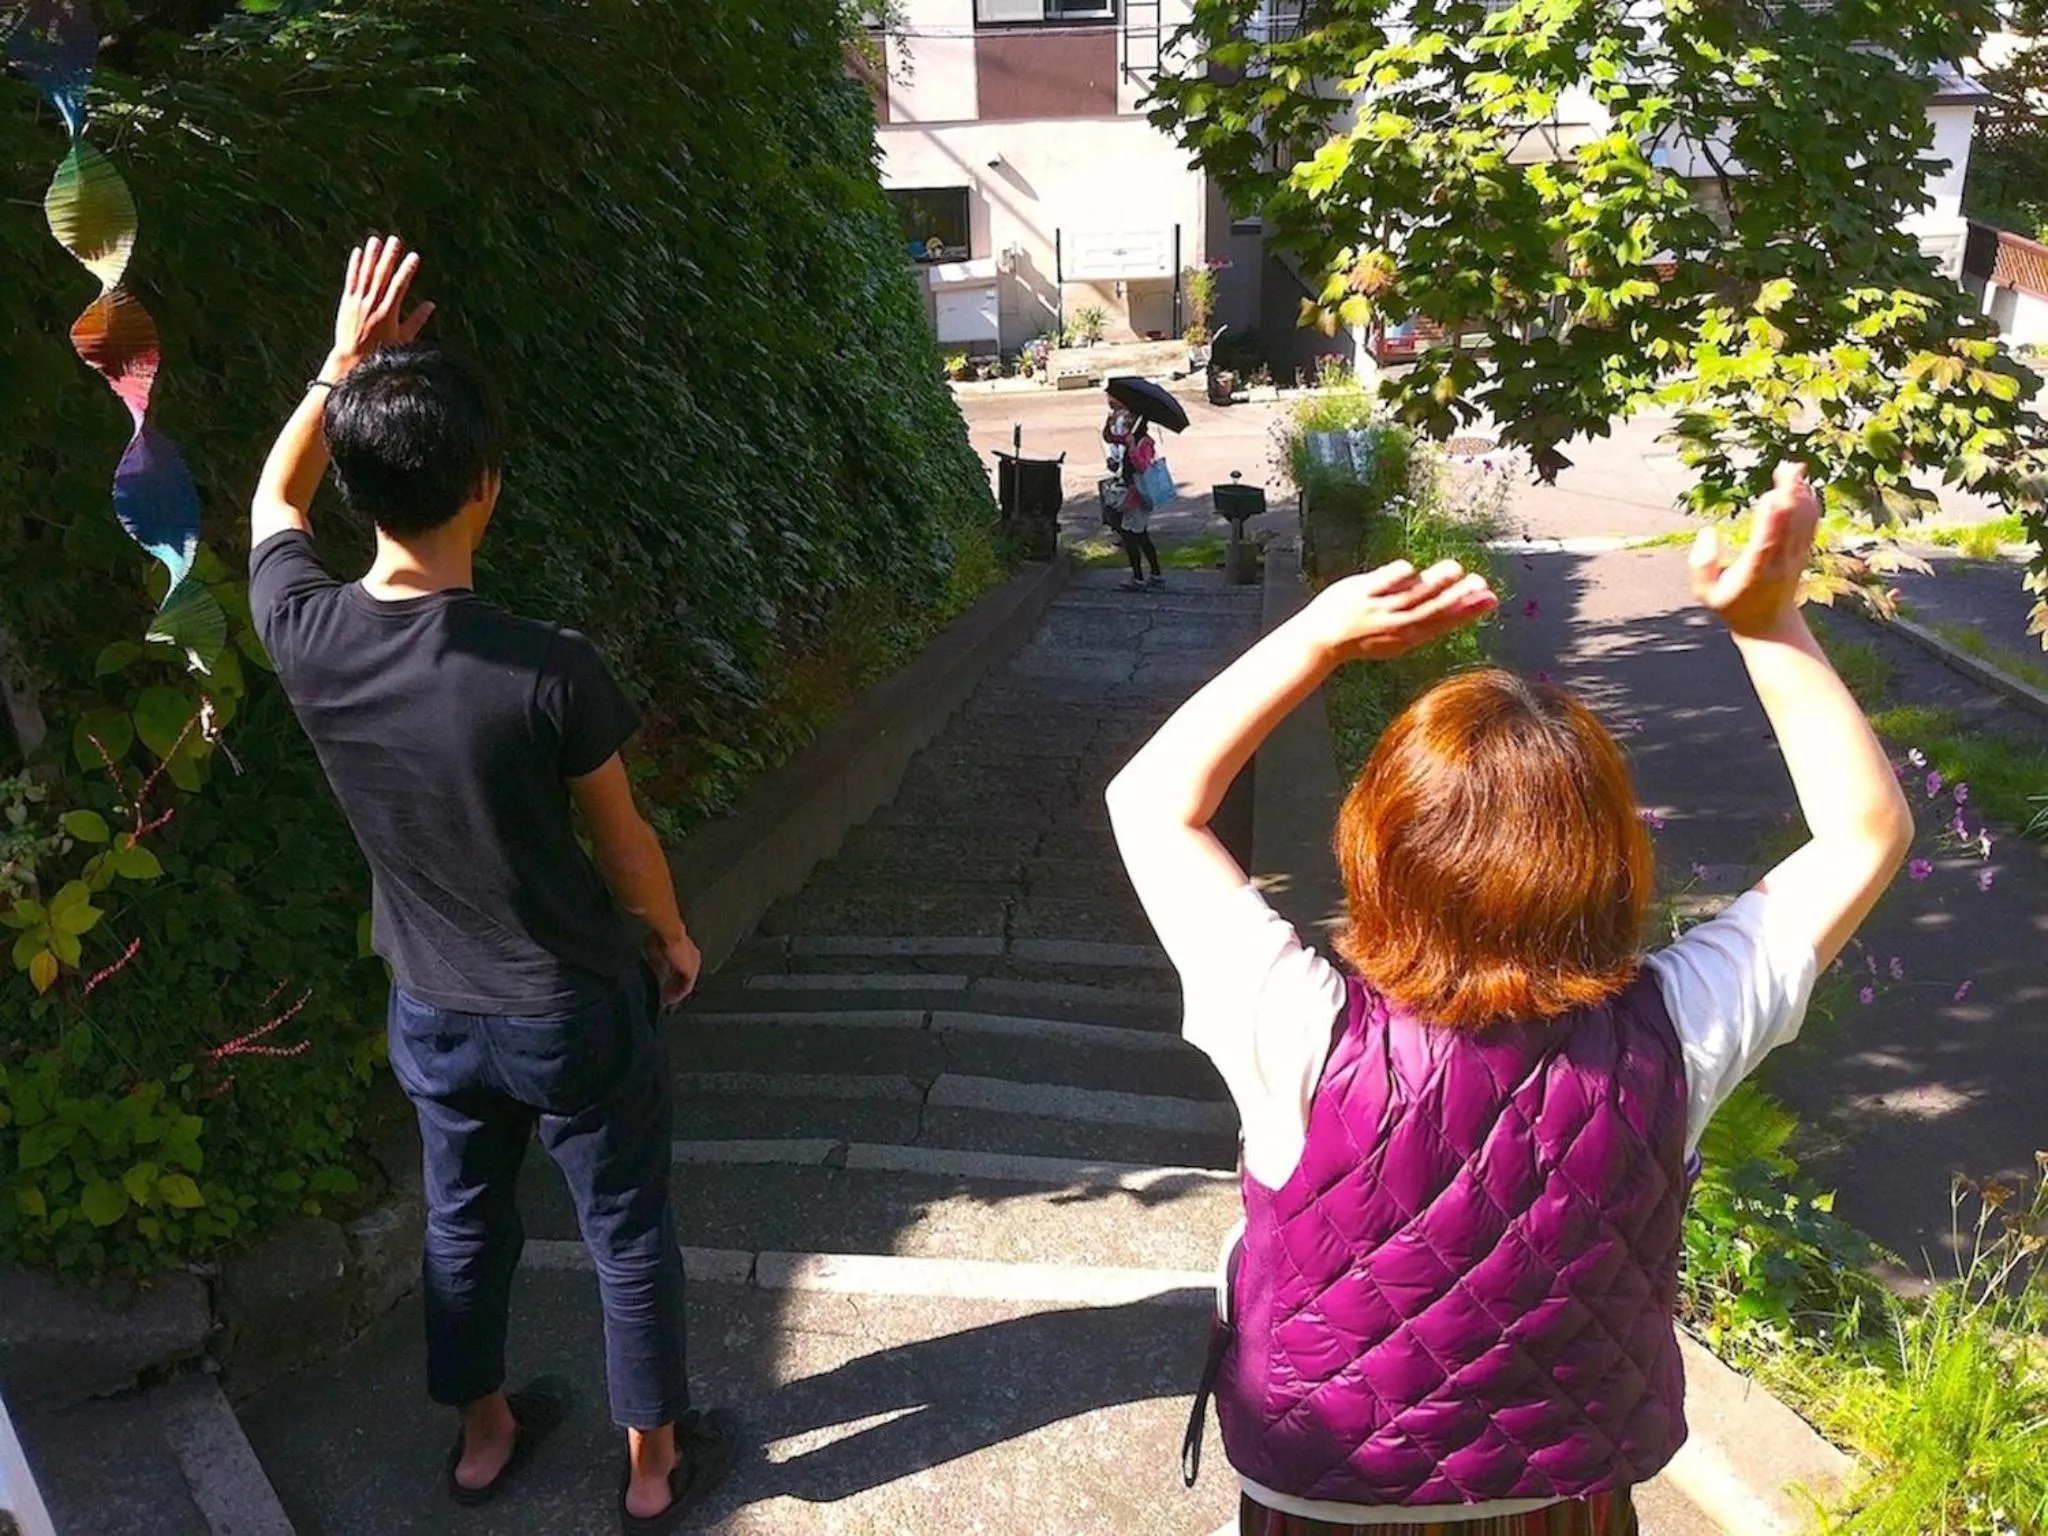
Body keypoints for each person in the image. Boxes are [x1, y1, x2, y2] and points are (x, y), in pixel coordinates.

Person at [1106, 465, 1911, 1535]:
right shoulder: (1674, 1033)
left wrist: (1316, 637)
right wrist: (1770, 624)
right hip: (1568, 1499)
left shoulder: (1298, 1030)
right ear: (1609, 860)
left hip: (1324, 1494)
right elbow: (1863, 834)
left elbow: (1149, 804)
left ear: (1377, 850)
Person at [248, 237, 738, 1533]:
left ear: (359, 487)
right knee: (625, 1227)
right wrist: (669, 934)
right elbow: (624, 843)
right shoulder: (545, 667)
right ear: (486, 487)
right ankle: (650, 1469)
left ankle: (482, 1438)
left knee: (462, 1224)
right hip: (570, 1006)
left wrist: (340, 365)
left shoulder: (306, 634)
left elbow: (270, 503)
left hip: (433, 1011)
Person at [1118, 417, 1166, 593]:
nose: (1126, 423)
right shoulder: (1132, 438)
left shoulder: (1143, 443)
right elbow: (1112, 438)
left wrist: (1132, 448)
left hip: (1138, 495)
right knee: (1141, 534)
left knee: (1130, 535)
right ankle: (1155, 573)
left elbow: (1142, 466)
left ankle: (1138, 577)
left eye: (1130, 421)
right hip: (1133, 494)